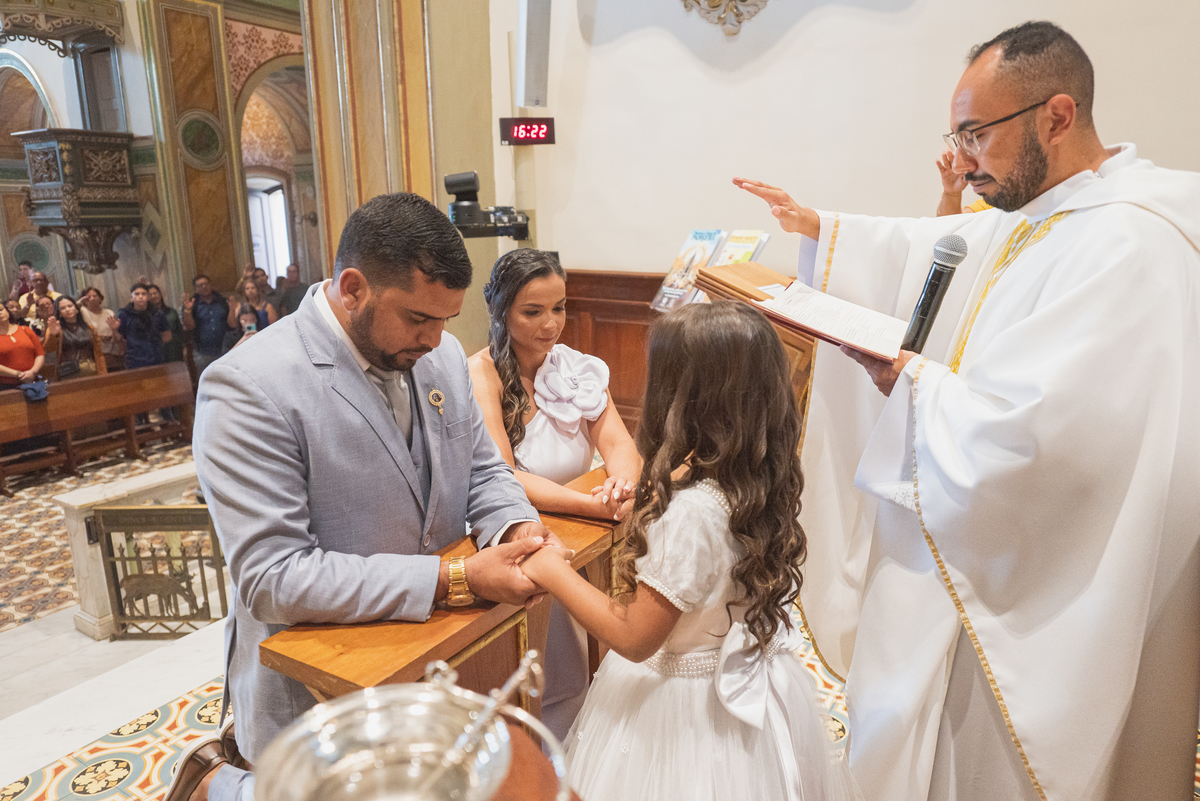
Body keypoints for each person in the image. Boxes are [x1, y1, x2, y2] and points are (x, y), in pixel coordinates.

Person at [735, 20, 1200, 800]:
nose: (965, 156)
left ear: (1056, 116)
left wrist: (914, 384)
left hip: (1040, 586)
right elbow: (954, 247)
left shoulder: (1130, 240)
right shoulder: (1050, 211)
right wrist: (833, 233)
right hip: (973, 545)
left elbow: (1055, 439)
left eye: (978, 133)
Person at [174, 192, 561, 801]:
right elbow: (274, 577)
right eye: (417, 320)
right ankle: (217, 785)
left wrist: (517, 529)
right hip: (321, 687)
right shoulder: (249, 387)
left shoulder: (443, 355)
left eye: (445, 320)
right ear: (352, 288)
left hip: (432, 662)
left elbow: (484, 471)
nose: (435, 340)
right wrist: (455, 577)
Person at [519, 301, 862, 801]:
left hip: (680, 705)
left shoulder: (693, 514)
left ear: (682, 397)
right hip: (744, 686)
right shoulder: (757, 479)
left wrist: (552, 569)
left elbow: (636, 639)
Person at [468, 248, 642, 739]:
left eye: (560, 308)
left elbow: (620, 446)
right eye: (533, 311)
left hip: (587, 525)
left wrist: (621, 486)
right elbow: (501, 476)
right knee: (551, 673)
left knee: (601, 659)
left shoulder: (580, 367)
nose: (551, 324)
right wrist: (591, 504)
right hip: (522, 529)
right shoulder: (480, 374)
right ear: (502, 311)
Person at [44, 296, 106, 379]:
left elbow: (99, 353)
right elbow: (48, 349)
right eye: (63, 308)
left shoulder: (89, 328)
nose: (67, 309)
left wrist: (103, 373)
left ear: (76, 309)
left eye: (70, 306)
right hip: (68, 371)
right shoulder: (56, 329)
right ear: (59, 313)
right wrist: (53, 334)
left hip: (91, 368)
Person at [182, 275, 230, 377]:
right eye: (200, 285)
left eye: (206, 284)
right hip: (202, 352)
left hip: (224, 350)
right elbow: (189, 326)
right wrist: (187, 310)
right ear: (195, 289)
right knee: (206, 381)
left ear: (210, 285)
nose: (204, 287)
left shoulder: (222, 301)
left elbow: (231, 324)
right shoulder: (192, 304)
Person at [119, 283, 171, 370]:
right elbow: (119, 339)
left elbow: (167, 335)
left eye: (143, 294)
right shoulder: (124, 314)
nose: (140, 296)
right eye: (137, 294)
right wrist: (114, 329)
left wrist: (155, 345)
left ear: (148, 297)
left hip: (157, 359)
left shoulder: (157, 313)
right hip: (134, 361)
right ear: (132, 297)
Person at [0, 300, 43, 389]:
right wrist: (19, 374)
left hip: (34, 381)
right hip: (5, 386)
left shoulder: (25, 330)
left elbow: (40, 354)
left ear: (7, 311)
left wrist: (33, 372)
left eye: (1, 309)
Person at [79, 287, 124, 371]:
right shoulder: (83, 312)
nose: (92, 299)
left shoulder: (109, 312)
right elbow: (74, 308)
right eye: (89, 297)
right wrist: (80, 301)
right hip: (95, 351)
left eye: (94, 296)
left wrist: (114, 329)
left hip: (111, 350)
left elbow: (116, 335)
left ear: (100, 298)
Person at [147, 284, 185, 365]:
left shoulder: (172, 312)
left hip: (174, 351)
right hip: (156, 354)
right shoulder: (146, 315)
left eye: (155, 293)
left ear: (160, 294)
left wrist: (184, 348)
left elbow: (179, 331)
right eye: (150, 294)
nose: (153, 296)